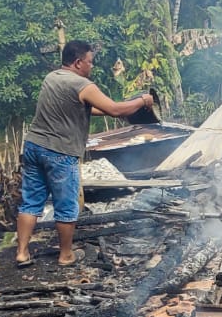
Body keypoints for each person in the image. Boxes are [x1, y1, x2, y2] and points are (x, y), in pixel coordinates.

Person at [15, 40, 155, 268]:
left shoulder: (52, 78)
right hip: (60, 151)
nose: (91, 67)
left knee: (31, 202)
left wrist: (120, 111)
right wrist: (142, 101)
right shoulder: (82, 84)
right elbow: (114, 108)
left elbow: (88, 108)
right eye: (90, 62)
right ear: (78, 62)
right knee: (67, 205)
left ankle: (21, 253)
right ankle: (66, 256)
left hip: (33, 147)